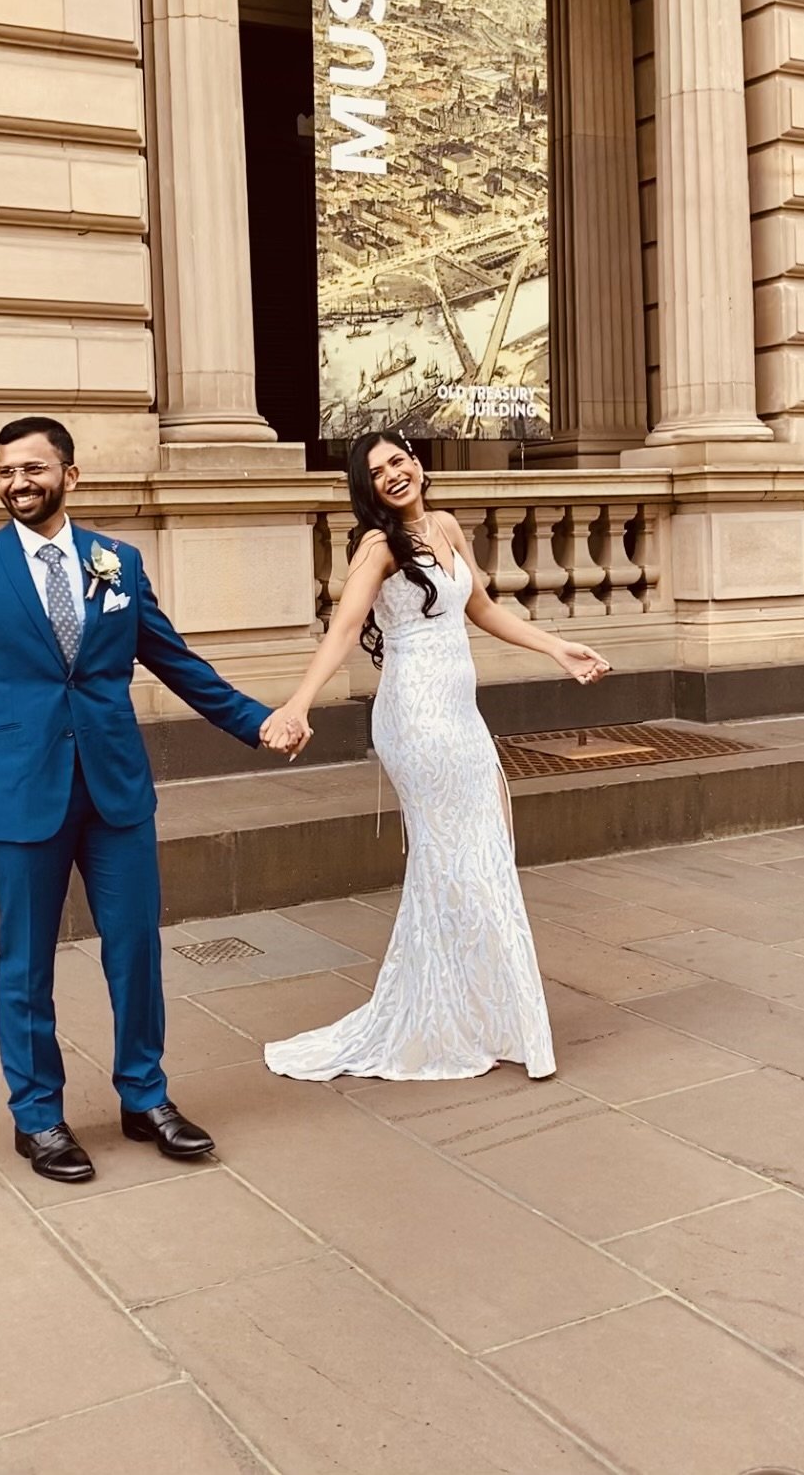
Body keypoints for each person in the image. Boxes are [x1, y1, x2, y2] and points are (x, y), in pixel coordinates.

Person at [0, 416, 294, 1183]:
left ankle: (144, 1097)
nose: (17, 483)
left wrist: (257, 722)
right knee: (26, 964)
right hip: (20, 795)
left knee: (136, 949)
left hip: (116, 789)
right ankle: (38, 1117)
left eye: (32, 469)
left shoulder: (116, 562)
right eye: (4, 472)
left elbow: (178, 662)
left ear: (69, 475)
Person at [261, 427, 610, 1084]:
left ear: (417, 464)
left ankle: (473, 1012)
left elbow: (482, 609)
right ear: (368, 490)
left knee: (484, 853)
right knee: (457, 861)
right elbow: (343, 629)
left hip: (461, 717)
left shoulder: (446, 526)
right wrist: (299, 704)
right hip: (416, 720)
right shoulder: (377, 546)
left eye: (397, 461)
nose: (392, 475)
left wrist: (558, 648)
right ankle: (451, 1017)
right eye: (376, 473)